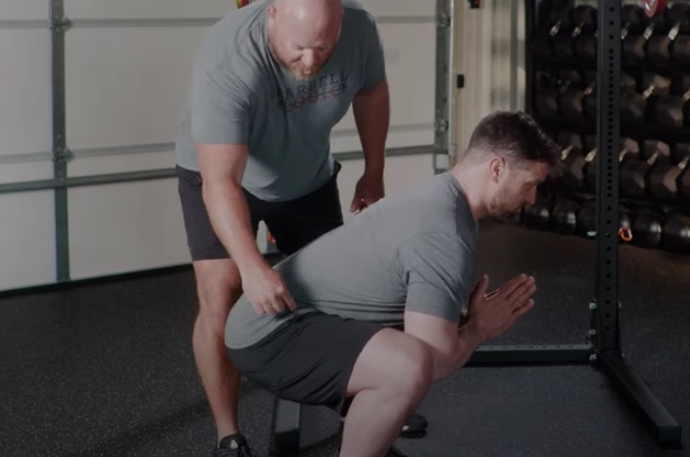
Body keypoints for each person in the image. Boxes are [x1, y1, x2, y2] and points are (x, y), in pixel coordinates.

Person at [173, 0, 428, 457]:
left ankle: (363, 400)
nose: (310, 61)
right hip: (222, 177)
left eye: (322, 47)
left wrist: (374, 172)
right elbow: (221, 180)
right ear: (272, 17)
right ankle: (227, 433)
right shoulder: (228, 59)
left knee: (340, 291)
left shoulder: (358, 28)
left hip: (303, 172)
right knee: (221, 295)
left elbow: (371, 92)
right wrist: (252, 267)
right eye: (297, 48)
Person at [224, 110, 561, 457]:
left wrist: (461, 323)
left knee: (416, 340)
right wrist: (478, 329)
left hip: (286, 318)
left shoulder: (443, 195)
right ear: (496, 169)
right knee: (408, 366)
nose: (532, 199)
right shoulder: (444, 232)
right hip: (269, 334)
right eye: (530, 184)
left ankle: (368, 418)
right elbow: (435, 361)